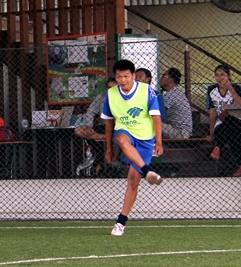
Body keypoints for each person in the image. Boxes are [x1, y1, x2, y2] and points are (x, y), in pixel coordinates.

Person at [102, 60, 164, 237]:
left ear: (133, 76)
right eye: (119, 77)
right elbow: (109, 123)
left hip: (145, 138)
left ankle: (121, 222)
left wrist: (159, 142)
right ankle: (148, 171)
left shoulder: (147, 91)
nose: (123, 80)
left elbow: (156, 118)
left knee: (133, 180)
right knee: (121, 139)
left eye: (126, 76)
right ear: (115, 77)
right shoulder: (111, 94)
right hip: (125, 131)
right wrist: (109, 149)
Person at [206, 64, 241, 177]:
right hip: (221, 124)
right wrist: (211, 133)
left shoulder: (236, 88)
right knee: (234, 136)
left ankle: (218, 146)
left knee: (230, 118)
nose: (219, 78)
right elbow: (212, 112)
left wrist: (230, 88)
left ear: (229, 76)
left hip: (239, 121)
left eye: (222, 75)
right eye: (217, 75)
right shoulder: (212, 90)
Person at [74, 77, 118, 176]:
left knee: (119, 135)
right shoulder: (101, 96)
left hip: (118, 126)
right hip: (103, 126)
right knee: (78, 130)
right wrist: (88, 126)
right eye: (109, 87)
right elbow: (90, 111)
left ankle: (111, 160)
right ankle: (106, 137)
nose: (110, 90)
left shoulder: (125, 97)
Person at [159, 67, 193, 139]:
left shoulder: (172, 94)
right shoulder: (175, 92)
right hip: (178, 130)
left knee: (150, 121)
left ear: (170, 80)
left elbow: (158, 110)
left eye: (163, 76)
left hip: (179, 131)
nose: (161, 78)